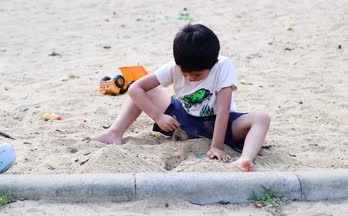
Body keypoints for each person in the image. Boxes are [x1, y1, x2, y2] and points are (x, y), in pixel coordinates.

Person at [90, 24, 270, 172]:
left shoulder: (222, 66)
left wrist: (216, 146)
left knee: (262, 118)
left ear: (212, 63)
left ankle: (245, 159)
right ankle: (114, 133)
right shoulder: (174, 66)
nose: (191, 78)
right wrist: (158, 117)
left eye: (197, 75)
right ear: (178, 64)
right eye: (186, 73)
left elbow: (223, 111)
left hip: (220, 125)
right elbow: (135, 88)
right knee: (144, 92)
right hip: (183, 120)